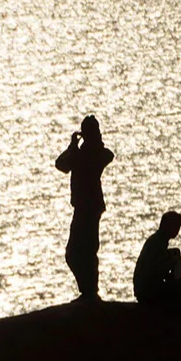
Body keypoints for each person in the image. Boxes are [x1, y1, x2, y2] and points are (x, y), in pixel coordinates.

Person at [55, 115, 115, 301]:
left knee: (83, 250)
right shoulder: (81, 154)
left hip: (89, 207)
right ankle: (88, 290)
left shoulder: (93, 154)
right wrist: (73, 147)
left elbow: (104, 156)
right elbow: (61, 165)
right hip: (83, 207)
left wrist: (74, 148)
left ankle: (90, 291)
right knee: (78, 252)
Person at [133, 211, 181, 312]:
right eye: (176, 226)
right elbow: (153, 271)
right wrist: (171, 264)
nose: (177, 230)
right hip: (147, 292)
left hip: (148, 288)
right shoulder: (156, 243)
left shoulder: (159, 241)